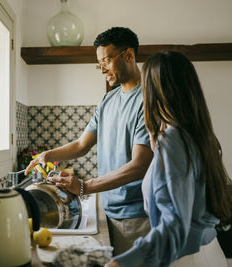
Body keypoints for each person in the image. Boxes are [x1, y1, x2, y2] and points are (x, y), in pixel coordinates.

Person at [25, 27, 153, 255]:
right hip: (109, 208)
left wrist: (85, 186)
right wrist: (47, 155)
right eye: (99, 63)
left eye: (107, 61)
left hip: (137, 217)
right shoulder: (108, 100)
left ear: (129, 56)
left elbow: (139, 165)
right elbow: (81, 145)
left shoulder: (148, 100)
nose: (102, 69)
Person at [105, 51, 232, 267]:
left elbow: (174, 223)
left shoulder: (174, 140)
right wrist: (155, 140)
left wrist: (121, 263)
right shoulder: (197, 134)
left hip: (187, 258)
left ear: (155, 91)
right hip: (208, 252)